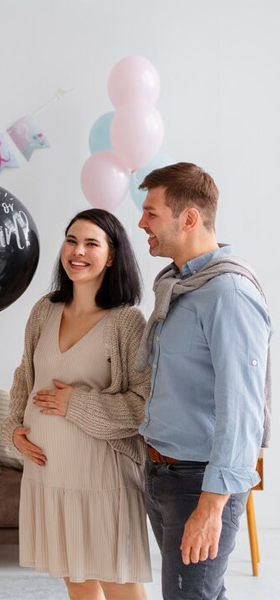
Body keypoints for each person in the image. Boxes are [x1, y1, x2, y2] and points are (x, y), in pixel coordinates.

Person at [137, 162, 271, 599]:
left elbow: (243, 409)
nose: (142, 223)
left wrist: (211, 507)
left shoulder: (227, 293)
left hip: (199, 484)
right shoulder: (177, 285)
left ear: (189, 218)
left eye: (152, 213)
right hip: (162, 471)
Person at [2, 208, 151, 600]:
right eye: (71, 240)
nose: (77, 251)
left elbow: (142, 405)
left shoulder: (127, 321)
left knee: (118, 580)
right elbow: (24, 377)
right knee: (77, 581)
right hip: (49, 475)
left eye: (90, 243)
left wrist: (77, 405)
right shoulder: (44, 310)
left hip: (103, 478)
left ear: (112, 255)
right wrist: (14, 429)